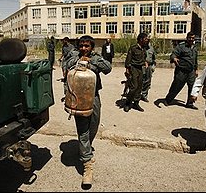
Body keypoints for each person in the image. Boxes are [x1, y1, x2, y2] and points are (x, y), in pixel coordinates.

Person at [65, 35, 112, 187]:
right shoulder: (74, 56)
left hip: (93, 95)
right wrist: (80, 62)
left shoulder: (96, 57)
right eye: (81, 46)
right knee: (83, 130)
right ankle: (87, 166)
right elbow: (67, 66)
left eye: (87, 46)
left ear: (92, 47)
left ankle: (85, 148)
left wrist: (91, 62)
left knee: (94, 125)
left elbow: (108, 68)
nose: (84, 48)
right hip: (78, 97)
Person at [165, 31, 198, 109]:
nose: (191, 39)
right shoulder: (181, 46)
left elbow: (195, 59)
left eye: (192, 38)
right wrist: (174, 58)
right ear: (187, 38)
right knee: (176, 86)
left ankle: (189, 103)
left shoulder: (195, 47)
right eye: (189, 38)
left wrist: (196, 69)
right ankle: (168, 100)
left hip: (191, 71)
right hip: (181, 71)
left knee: (192, 87)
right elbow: (173, 54)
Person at [123, 32, 149, 112]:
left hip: (140, 69)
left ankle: (136, 103)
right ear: (141, 39)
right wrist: (127, 70)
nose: (147, 40)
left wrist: (145, 62)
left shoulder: (144, 48)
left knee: (139, 86)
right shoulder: (133, 48)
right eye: (145, 39)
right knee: (133, 87)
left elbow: (144, 57)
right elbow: (128, 59)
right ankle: (128, 103)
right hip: (133, 69)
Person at [58, 37, 75, 101]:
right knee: (63, 70)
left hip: (69, 60)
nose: (63, 41)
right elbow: (63, 53)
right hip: (65, 60)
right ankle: (65, 76)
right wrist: (60, 58)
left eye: (64, 40)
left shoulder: (71, 46)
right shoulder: (63, 46)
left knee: (68, 76)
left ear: (67, 40)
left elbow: (73, 55)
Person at [141, 37, 156, 103]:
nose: (147, 42)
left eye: (148, 40)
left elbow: (154, 59)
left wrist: (153, 67)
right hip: (141, 66)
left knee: (147, 81)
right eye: (146, 40)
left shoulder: (151, 49)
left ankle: (144, 95)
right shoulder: (140, 48)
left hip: (149, 67)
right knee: (140, 81)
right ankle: (137, 95)